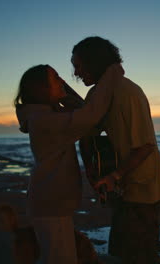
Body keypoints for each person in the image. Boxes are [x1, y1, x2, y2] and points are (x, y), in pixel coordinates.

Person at [74, 36, 160, 264]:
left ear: (94, 62)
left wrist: (114, 175)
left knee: (139, 254)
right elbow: (87, 128)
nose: (76, 73)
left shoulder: (126, 93)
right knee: (120, 251)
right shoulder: (99, 93)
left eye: (78, 66)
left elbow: (146, 146)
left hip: (142, 190)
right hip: (122, 186)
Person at [15, 63, 123, 264]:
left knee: (58, 258)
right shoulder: (45, 120)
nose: (62, 81)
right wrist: (112, 74)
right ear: (42, 88)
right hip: (50, 204)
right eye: (56, 78)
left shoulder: (44, 116)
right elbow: (90, 115)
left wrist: (63, 92)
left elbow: (82, 111)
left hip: (50, 202)